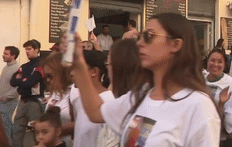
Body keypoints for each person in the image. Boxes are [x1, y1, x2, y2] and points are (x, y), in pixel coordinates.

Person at [66, 12, 220, 146]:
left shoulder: (198, 106)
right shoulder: (140, 96)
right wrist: (79, 63)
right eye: (140, 37)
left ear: (176, 44)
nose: (139, 43)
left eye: (149, 36)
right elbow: (96, 112)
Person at [69, 50, 113, 147]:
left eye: (77, 68)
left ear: (94, 72)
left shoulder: (109, 102)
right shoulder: (79, 100)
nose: (72, 73)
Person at [10, 39, 45, 147]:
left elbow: (31, 82)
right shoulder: (24, 66)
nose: (27, 51)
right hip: (22, 101)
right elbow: (12, 81)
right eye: (26, 49)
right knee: (16, 131)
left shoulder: (41, 65)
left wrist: (21, 80)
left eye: (29, 49)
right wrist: (23, 81)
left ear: (37, 49)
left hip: (34, 102)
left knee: (37, 133)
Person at [40, 53, 74, 147]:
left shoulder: (75, 91)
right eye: (46, 76)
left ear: (62, 73)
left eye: (50, 76)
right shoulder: (56, 90)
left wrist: (53, 132)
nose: (48, 80)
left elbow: (81, 123)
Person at [0, 46, 20, 144]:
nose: (3, 55)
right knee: (8, 127)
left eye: (6, 54)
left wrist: (6, 96)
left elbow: (18, 88)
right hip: (2, 102)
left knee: (5, 129)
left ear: (13, 56)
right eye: (4, 53)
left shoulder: (17, 69)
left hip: (8, 102)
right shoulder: (6, 67)